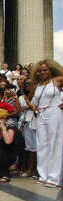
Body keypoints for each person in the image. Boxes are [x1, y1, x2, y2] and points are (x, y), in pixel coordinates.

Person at [29, 59, 63, 188]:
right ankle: (43, 175)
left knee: (55, 143)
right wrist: (33, 106)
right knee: (41, 144)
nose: (42, 72)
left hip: (55, 111)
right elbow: (33, 100)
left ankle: (54, 177)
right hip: (41, 114)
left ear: (51, 70)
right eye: (40, 70)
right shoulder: (38, 85)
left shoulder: (57, 80)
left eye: (45, 70)